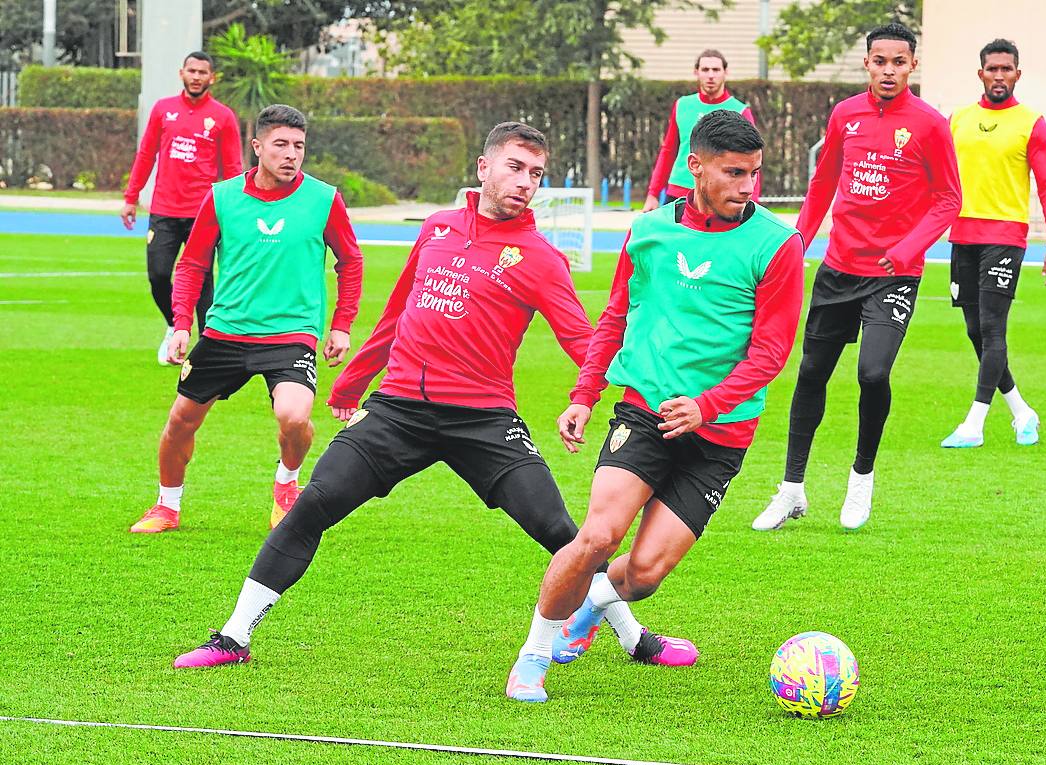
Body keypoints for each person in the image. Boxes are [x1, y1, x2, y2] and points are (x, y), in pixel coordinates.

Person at [170, 122, 689, 670]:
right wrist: (350, 384)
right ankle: (232, 638)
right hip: (398, 412)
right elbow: (398, 314)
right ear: (483, 167)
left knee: (563, 533)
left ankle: (635, 639)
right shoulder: (437, 229)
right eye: (515, 167)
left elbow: (584, 339)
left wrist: (637, 388)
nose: (525, 182)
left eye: (536, 174)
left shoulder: (540, 257)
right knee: (313, 504)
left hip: (485, 420)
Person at [506, 110, 805, 703]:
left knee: (643, 576)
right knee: (597, 537)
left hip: (722, 433)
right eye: (734, 173)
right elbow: (616, 316)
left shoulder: (778, 243)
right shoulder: (647, 232)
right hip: (644, 412)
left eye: (754, 174)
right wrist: (584, 396)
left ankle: (593, 606)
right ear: (694, 167)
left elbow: (771, 352)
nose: (747, 188)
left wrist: (708, 406)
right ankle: (533, 657)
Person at [750, 22, 961, 533]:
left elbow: (949, 199)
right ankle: (792, 489)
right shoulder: (845, 114)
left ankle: (861, 476)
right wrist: (798, 240)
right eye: (880, 60)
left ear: (912, 65)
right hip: (839, 268)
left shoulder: (930, 124)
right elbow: (824, 182)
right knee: (810, 373)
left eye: (899, 61)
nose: (889, 70)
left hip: (895, 275)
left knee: (872, 374)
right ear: (867, 63)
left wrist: (907, 247)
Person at [130, 104, 362, 534]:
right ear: (257, 148)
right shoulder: (221, 197)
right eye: (281, 145)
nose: (291, 154)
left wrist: (341, 325)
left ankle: (287, 485)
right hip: (225, 332)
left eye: (299, 146)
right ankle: (167, 506)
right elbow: (192, 265)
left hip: (291, 333)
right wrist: (182, 322)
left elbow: (350, 261)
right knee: (181, 420)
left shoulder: (323, 199)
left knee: (293, 416)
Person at [940, 38, 1046, 449]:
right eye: (991, 69)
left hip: (1005, 237)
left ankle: (974, 423)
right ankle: (1021, 411)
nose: (999, 76)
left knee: (993, 330)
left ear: (1017, 74)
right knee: (975, 332)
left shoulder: (1031, 122)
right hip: (962, 237)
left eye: (1006, 69)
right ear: (981, 74)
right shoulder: (957, 119)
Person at [121, 51, 243, 365]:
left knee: (203, 281)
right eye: (192, 70)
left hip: (204, 213)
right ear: (182, 73)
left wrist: (235, 210)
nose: (197, 76)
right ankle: (174, 324)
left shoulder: (223, 116)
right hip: (163, 209)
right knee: (159, 275)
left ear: (212, 77)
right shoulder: (163, 110)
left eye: (203, 72)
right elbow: (146, 154)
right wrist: (131, 197)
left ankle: (204, 352)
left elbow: (232, 168)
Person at [642, 49, 760, 211]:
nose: (711, 75)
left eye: (716, 70)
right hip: (679, 191)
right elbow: (668, 151)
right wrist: (653, 194)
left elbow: (751, 160)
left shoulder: (740, 111)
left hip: (719, 193)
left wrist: (753, 201)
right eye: (705, 70)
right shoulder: (682, 105)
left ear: (725, 73)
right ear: (696, 72)